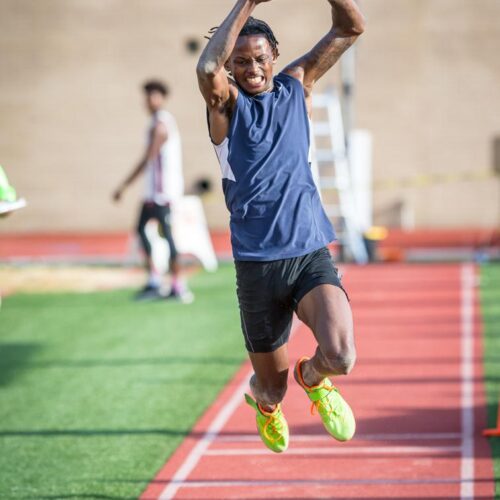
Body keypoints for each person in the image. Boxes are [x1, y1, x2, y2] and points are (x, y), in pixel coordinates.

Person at [196, 0, 365, 452]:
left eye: (259, 59)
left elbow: (351, 27)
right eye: (242, 62)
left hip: (309, 253)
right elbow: (207, 63)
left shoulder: (297, 84)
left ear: (274, 55)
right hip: (257, 266)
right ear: (231, 67)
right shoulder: (225, 106)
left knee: (341, 356)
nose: (252, 69)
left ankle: (313, 379)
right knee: (271, 388)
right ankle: (266, 405)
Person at [113, 80, 192, 302]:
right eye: (147, 95)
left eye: (153, 95)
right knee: (141, 230)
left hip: (163, 193)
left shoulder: (161, 124)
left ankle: (178, 286)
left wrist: (124, 186)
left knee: (167, 236)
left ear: (161, 98)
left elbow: (148, 158)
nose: (149, 100)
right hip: (152, 193)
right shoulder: (155, 122)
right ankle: (155, 281)